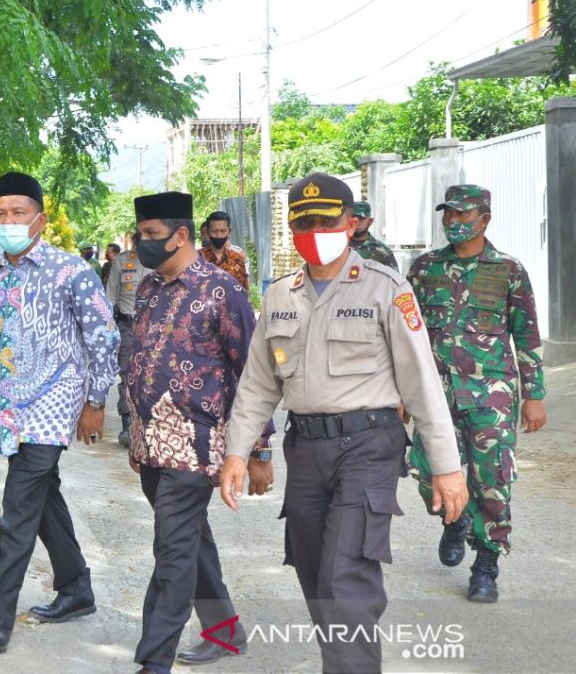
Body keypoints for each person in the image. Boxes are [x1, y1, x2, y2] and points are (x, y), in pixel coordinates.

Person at [218, 172, 468, 674]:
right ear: (291, 230)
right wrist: (237, 452)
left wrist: (446, 466)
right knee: (314, 574)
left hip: (369, 444)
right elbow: (259, 385)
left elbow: (421, 382)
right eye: (303, 222)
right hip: (306, 450)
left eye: (325, 220)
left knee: (344, 577)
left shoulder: (386, 288)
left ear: (351, 223)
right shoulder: (280, 296)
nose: (314, 230)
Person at [0, 172, 119, 656]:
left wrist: (96, 401)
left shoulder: (70, 270)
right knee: (42, 496)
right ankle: (76, 588)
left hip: (56, 401)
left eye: (18, 213)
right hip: (14, 406)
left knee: (19, 507)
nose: (8, 221)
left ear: (40, 219)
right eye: (1, 214)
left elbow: (103, 337)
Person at [125, 192, 269, 674]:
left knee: (172, 551)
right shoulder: (148, 289)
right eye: (140, 235)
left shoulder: (222, 289)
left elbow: (254, 371)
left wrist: (258, 448)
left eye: (151, 236)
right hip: (149, 443)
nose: (142, 244)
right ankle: (225, 633)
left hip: (195, 443)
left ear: (181, 235)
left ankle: (154, 660)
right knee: (189, 541)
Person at [407, 184, 547, 603]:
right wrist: (397, 393)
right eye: (448, 215)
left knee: (493, 480)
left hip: (492, 397)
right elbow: (403, 336)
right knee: (427, 470)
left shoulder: (508, 270)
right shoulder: (424, 268)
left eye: (463, 216)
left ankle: (486, 564)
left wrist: (533, 393)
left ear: (484, 219)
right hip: (434, 396)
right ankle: (455, 518)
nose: (453, 222)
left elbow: (526, 335)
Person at [105, 239, 150, 445]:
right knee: (127, 374)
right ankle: (127, 423)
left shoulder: (161, 261)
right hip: (127, 326)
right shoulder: (122, 262)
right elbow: (111, 297)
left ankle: (149, 424)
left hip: (154, 326)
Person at [199, 211, 249, 291]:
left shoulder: (237, 259)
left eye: (223, 231)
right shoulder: (197, 258)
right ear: (208, 232)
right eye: (214, 231)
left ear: (229, 232)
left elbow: (244, 291)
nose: (218, 236)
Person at [349, 201, 398, 270]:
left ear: (370, 221)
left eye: (361, 219)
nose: (357, 222)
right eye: (354, 218)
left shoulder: (382, 251)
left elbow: (394, 278)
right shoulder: (340, 247)